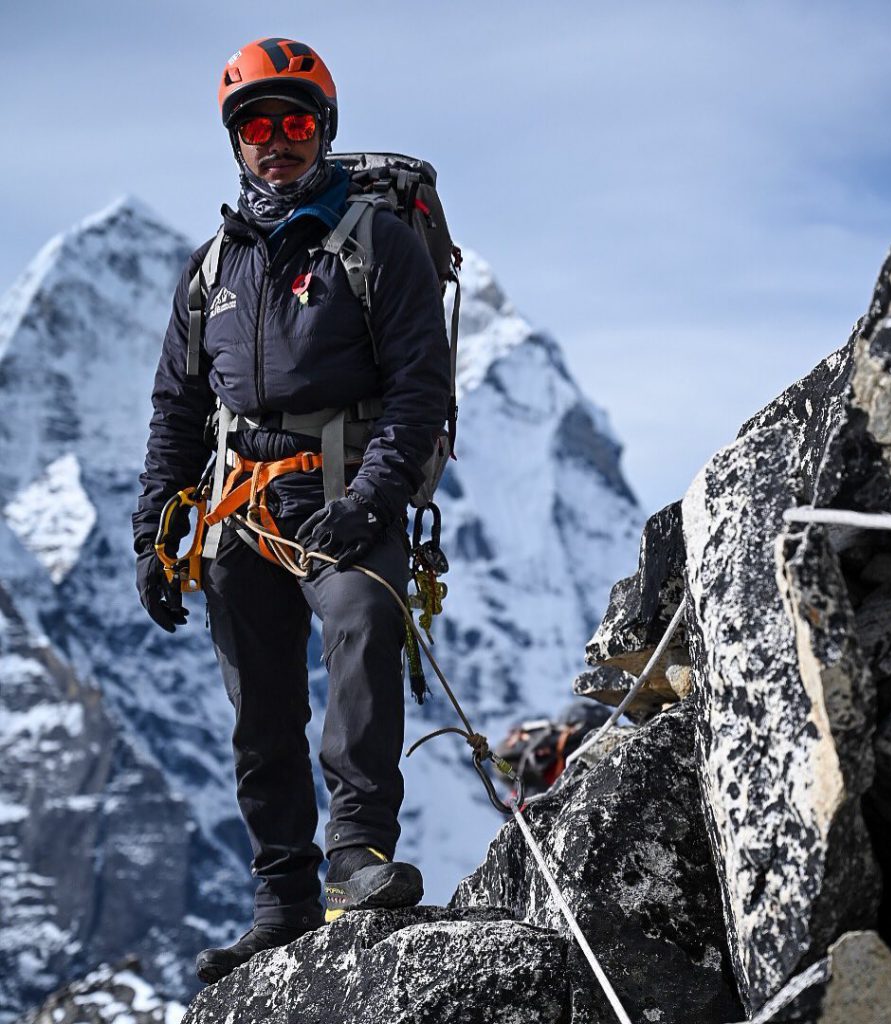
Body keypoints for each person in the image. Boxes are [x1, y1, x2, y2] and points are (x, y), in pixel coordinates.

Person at [131, 38, 451, 984]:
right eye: (258, 126)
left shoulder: (376, 244)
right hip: (243, 505)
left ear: (324, 132)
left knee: (360, 625)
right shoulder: (212, 271)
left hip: (349, 489)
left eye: (296, 123)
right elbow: (178, 409)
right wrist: (157, 529)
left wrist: (369, 503)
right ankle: (283, 898)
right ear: (236, 142)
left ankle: (357, 852)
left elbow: (419, 389)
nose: (277, 141)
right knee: (258, 707)